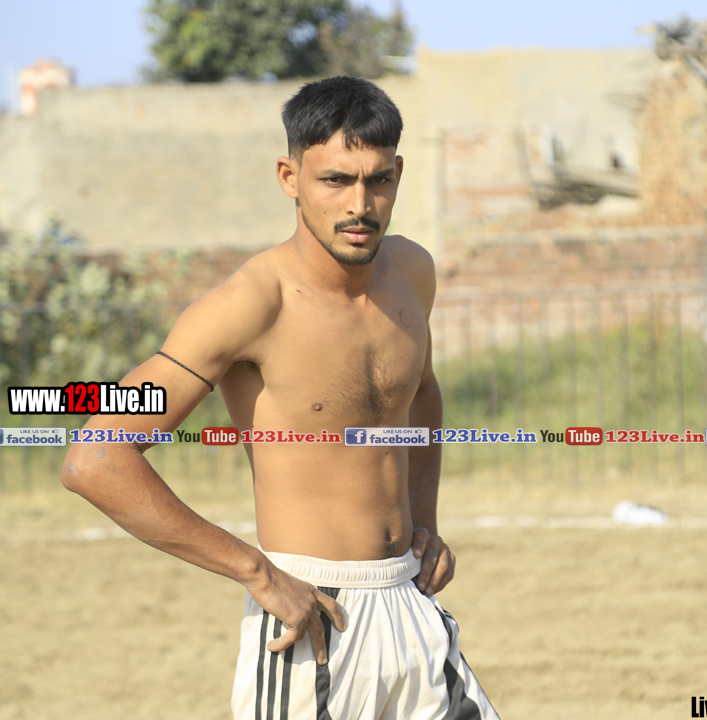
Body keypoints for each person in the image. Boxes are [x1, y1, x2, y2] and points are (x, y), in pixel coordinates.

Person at [61, 76, 499, 720]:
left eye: (378, 180)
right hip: (310, 615)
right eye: (335, 180)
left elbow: (421, 394)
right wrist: (257, 573)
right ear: (289, 177)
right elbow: (96, 458)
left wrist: (424, 523)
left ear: (399, 174)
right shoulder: (248, 305)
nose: (360, 204)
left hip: (410, 601)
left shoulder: (412, 272)